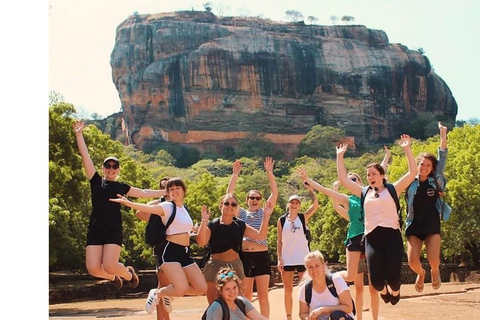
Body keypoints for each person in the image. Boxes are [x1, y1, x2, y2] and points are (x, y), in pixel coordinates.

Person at [73, 120, 166, 289]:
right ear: (103, 168)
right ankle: (114, 277)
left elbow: (144, 193)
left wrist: (165, 193)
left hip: (113, 229)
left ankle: (129, 274)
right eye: (108, 166)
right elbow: (85, 157)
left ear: (118, 169)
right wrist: (79, 134)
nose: (111, 168)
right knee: (93, 268)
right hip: (95, 228)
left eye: (114, 166)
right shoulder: (95, 181)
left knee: (109, 265)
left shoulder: (121, 187)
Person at [336, 135, 417, 306]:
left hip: (392, 237)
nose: (370, 176)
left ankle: (395, 291)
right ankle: (384, 291)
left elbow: (412, 173)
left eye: (373, 173)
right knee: (376, 282)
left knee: (394, 279)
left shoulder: (393, 189)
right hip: (372, 239)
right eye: (367, 174)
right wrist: (340, 156)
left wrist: (407, 149)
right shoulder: (364, 192)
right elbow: (343, 180)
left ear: (382, 175)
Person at [110, 177, 208, 314]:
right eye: (171, 189)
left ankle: (167, 292)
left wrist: (203, 222)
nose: (174, 191)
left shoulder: (184, 209)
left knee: (201, 288)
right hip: (170, 251)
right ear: (167, 192)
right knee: (180, 288)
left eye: (177, 188)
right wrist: (129, 203)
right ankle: (157, 293)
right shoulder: (167, 206)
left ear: (184, 190)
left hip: (185, 252)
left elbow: (188, 230)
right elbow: (146, 208)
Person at [298, 168, 379, 320]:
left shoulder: (371, 195)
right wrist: (309, 180)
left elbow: (380, 175)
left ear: (361, 182)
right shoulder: (348, 199)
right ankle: (333, 277)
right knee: (351, 277)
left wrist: (387, 157)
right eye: (347, 181)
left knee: (375, 285)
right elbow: (326, 192)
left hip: (370, 237)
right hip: (355, 239)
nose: (350, 183)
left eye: (353, 180)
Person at [196, 193, 274, 304]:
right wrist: (204, 221)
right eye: (226, 203)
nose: (230, 206)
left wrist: (266, 217)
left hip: (236, 265)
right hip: (215, 266)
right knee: (214, 304)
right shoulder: (213, 225)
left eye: (233, 204)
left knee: (238, 303)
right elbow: (201, 242)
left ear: (236, 207)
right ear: (221, 206)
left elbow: (260, 235)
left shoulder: (240, 225)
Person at [227, 157, 278, 318]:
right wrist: (235, 175)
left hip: (262, 256)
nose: (255, 200)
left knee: (263, 297)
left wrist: (269, 172)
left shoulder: (265, 212)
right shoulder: (241, 213)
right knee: (246, 297)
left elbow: (275, 193)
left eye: (257, 198)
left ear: (261, 201)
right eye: (252, 198)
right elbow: (228, 195)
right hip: (245, 257)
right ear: (247, 200)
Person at [405, 122, 451, 292]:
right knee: (412, 261)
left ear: (432, 169)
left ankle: (434, 270)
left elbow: (443, 154)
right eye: (421, 164)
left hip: (432, 224)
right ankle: (421, 274)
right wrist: (407, 148)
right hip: (414, 225)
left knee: (433, 259)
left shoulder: (435, 180)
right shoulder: (410, 181)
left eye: (428, 165)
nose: (424, 167)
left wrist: (443, 133)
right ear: (417, 165)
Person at [277, 180, 318, 320]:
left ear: (299, 205)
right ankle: (289, 317)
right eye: (292, 202)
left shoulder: (303, 217)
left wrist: (311, 191)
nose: (294, 205)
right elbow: (279, 241)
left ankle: (309, 314)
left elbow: (315, 206)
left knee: (307, 287)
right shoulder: (281, 220)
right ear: (288, 204)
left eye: (297, 203)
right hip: (287, 258)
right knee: (288, 290)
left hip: (303, 258)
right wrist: (279, 258)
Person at [135, 177, 171, 319]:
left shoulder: (178, 206)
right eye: (164, 188)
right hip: (162, 247)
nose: (167, 191)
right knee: (164, 285)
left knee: (165, 286)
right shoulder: (159, 205)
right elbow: (139, 212)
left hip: (176, 247)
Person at [298, 250, 355, 320]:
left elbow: (348, 307)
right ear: (307, 270)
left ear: (324, 266)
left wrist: (323, 310)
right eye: (310, 267)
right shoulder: (305, 289)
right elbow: (303, 313)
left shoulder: (336, 280)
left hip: (341, 318)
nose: (314, 270)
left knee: (336, 315)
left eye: (317, 266)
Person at [203, 267, 268, 320]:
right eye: (227, 289)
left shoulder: (242, 302)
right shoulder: (216, 307)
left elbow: (259, 318)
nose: (232, 292)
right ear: (220, 291)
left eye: (234, 287)